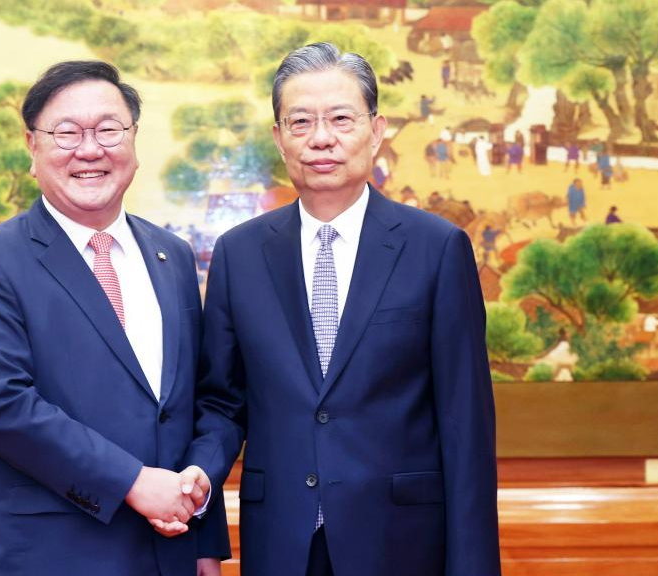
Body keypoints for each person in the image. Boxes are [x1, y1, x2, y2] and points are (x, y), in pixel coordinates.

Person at [186, 42, 500, 576]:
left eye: (340, 118)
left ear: (375, 131)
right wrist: (198, 476)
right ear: (279, 138)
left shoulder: (436, 247)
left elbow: (465, 423)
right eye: (300, 121)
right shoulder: (240, 253)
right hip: (281, 542)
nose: (321, 138)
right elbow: (221, 402)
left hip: (401, 544)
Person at [0, 61, 228, 576]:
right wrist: (133, 483)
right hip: (47, 556)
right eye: (67, 133)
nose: (90, 150)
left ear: (134, 141)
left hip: (168, 555)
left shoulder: (173, 255)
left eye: (108, 130)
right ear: (32, 147)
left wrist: (202, 524)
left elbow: (198, 401)